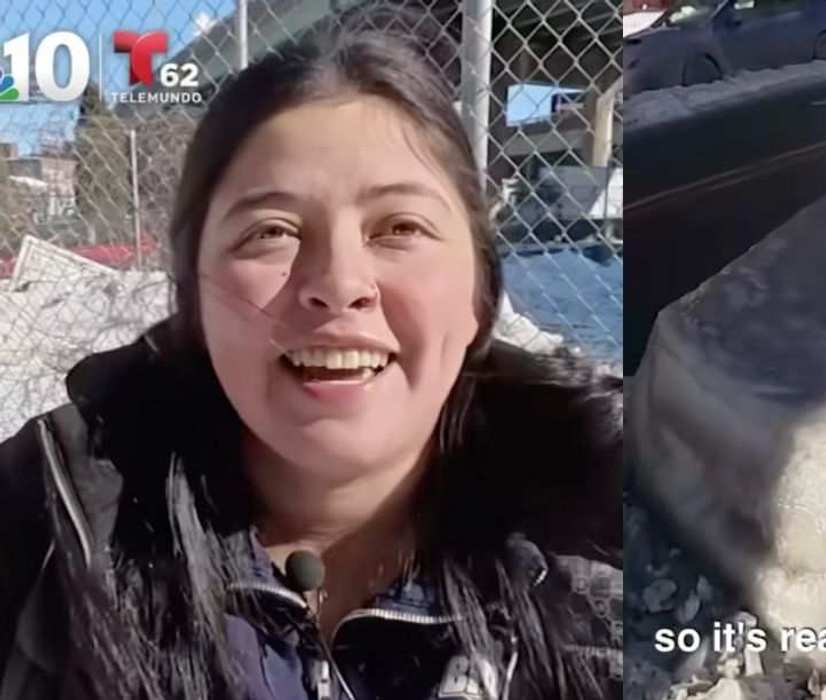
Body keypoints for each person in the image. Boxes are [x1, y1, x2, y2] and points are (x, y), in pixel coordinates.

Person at [0, 9, 622, 700]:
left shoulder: (619, 540)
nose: (339, 285)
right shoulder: (40, 533)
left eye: (399, 226)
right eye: (271, 232)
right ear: (193, 300)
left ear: (478, 290)